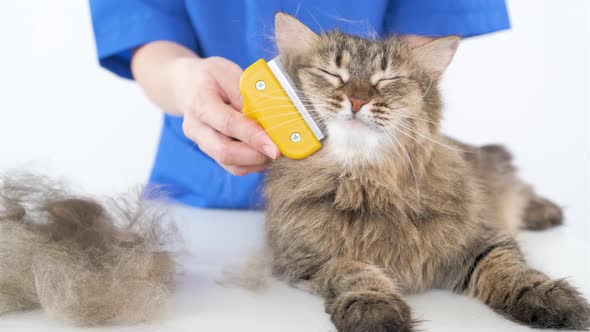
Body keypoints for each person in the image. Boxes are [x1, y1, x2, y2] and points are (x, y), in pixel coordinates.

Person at [89, 0, 510, 209]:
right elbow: (145, 33)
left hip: (369, 187)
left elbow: (418, 57)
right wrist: (189, 84)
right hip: (205, 190)